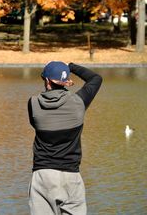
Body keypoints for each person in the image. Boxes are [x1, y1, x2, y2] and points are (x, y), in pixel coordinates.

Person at [27, 61, 102, 215]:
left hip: (43, 177)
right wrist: (72, 67)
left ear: (47, 81)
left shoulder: (33, 104)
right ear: (66, 81)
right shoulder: (79, 102)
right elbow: (96, 78)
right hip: (71, 177)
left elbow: (35, 124)